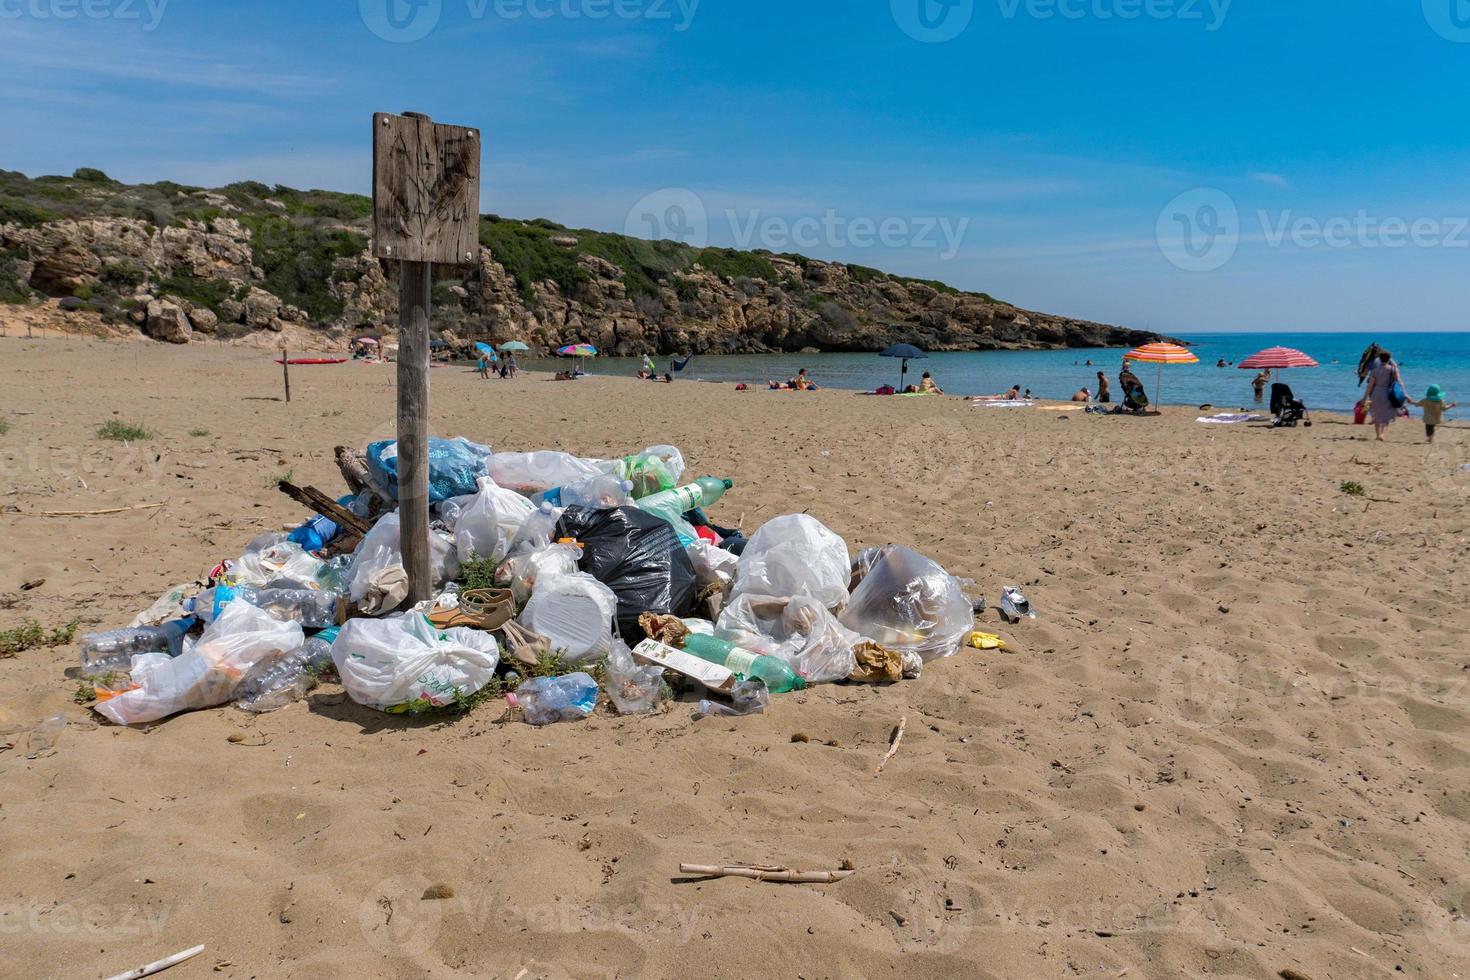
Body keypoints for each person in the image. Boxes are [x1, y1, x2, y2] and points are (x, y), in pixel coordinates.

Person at [1364, 350, 1405, 442]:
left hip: (1376, 392)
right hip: (1388, 393)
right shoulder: (1393, 369)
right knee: (1387, 414)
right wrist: (1404, 393)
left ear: (1379, 358)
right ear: (1389, 358)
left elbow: (1370, 385)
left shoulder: (1374, 371)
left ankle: (1377, 435)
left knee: (1377, 414)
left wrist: (1364, 397)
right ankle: (1382, 434)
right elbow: (1399, 382)